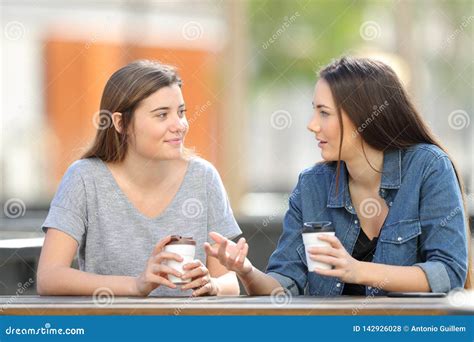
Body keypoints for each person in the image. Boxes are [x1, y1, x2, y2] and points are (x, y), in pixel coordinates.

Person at [205, 56, 471, 296]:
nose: (312, 124)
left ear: (363, 116)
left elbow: (449, 273)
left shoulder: (428, 167)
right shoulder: (312, 185)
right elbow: (284, 286)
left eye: (324, 113)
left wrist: (357, 270)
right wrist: (247, 271)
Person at [37, 60, 241, 297]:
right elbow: (49, 276)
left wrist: (213, 285)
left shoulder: (204, 178)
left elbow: (229, 281)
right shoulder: (84, 178)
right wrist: (136, 285)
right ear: (120, 123)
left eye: (181, 112)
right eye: (162, 115)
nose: (180, 125)